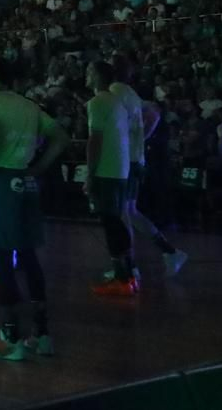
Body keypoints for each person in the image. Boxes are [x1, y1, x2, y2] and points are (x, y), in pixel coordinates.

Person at [0, 57, 70, 361]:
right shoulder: (29, 106)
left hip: (2, 181)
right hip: (26, 182)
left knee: (1, 256)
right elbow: (61, 137)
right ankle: (42, 334)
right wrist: (38, 168)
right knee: (28, 256)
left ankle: (10, 335)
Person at [110, 62, 188, 275]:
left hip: (127, 161)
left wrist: (138, 139)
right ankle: (170, 251)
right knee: (131, 212)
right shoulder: (132, 96)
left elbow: (153, 112)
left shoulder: (119, 92)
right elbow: (153, 112)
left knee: (124, 213)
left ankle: (129, 267)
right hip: (135, 160)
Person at [86, 62, 137, 296]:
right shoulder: (117, 103)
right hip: (120, 170)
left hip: (105, 171)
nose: (86, 75)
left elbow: (95, 140)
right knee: (116, 221)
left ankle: (122, 278)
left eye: (90, 71)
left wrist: (90, 174)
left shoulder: (97, 102)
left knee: (110, 223)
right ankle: (129, 272)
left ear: (97, 76)